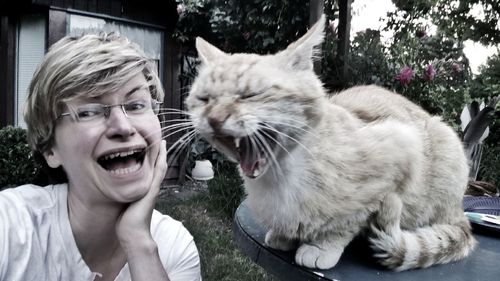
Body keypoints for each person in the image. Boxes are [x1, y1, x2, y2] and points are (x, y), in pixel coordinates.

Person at [0, 32, 201, 280]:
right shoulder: (8, 227)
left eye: (136, 105)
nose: (124, 127)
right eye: (88, 112)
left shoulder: (174, 247)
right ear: (50, 149)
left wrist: (138, 242)